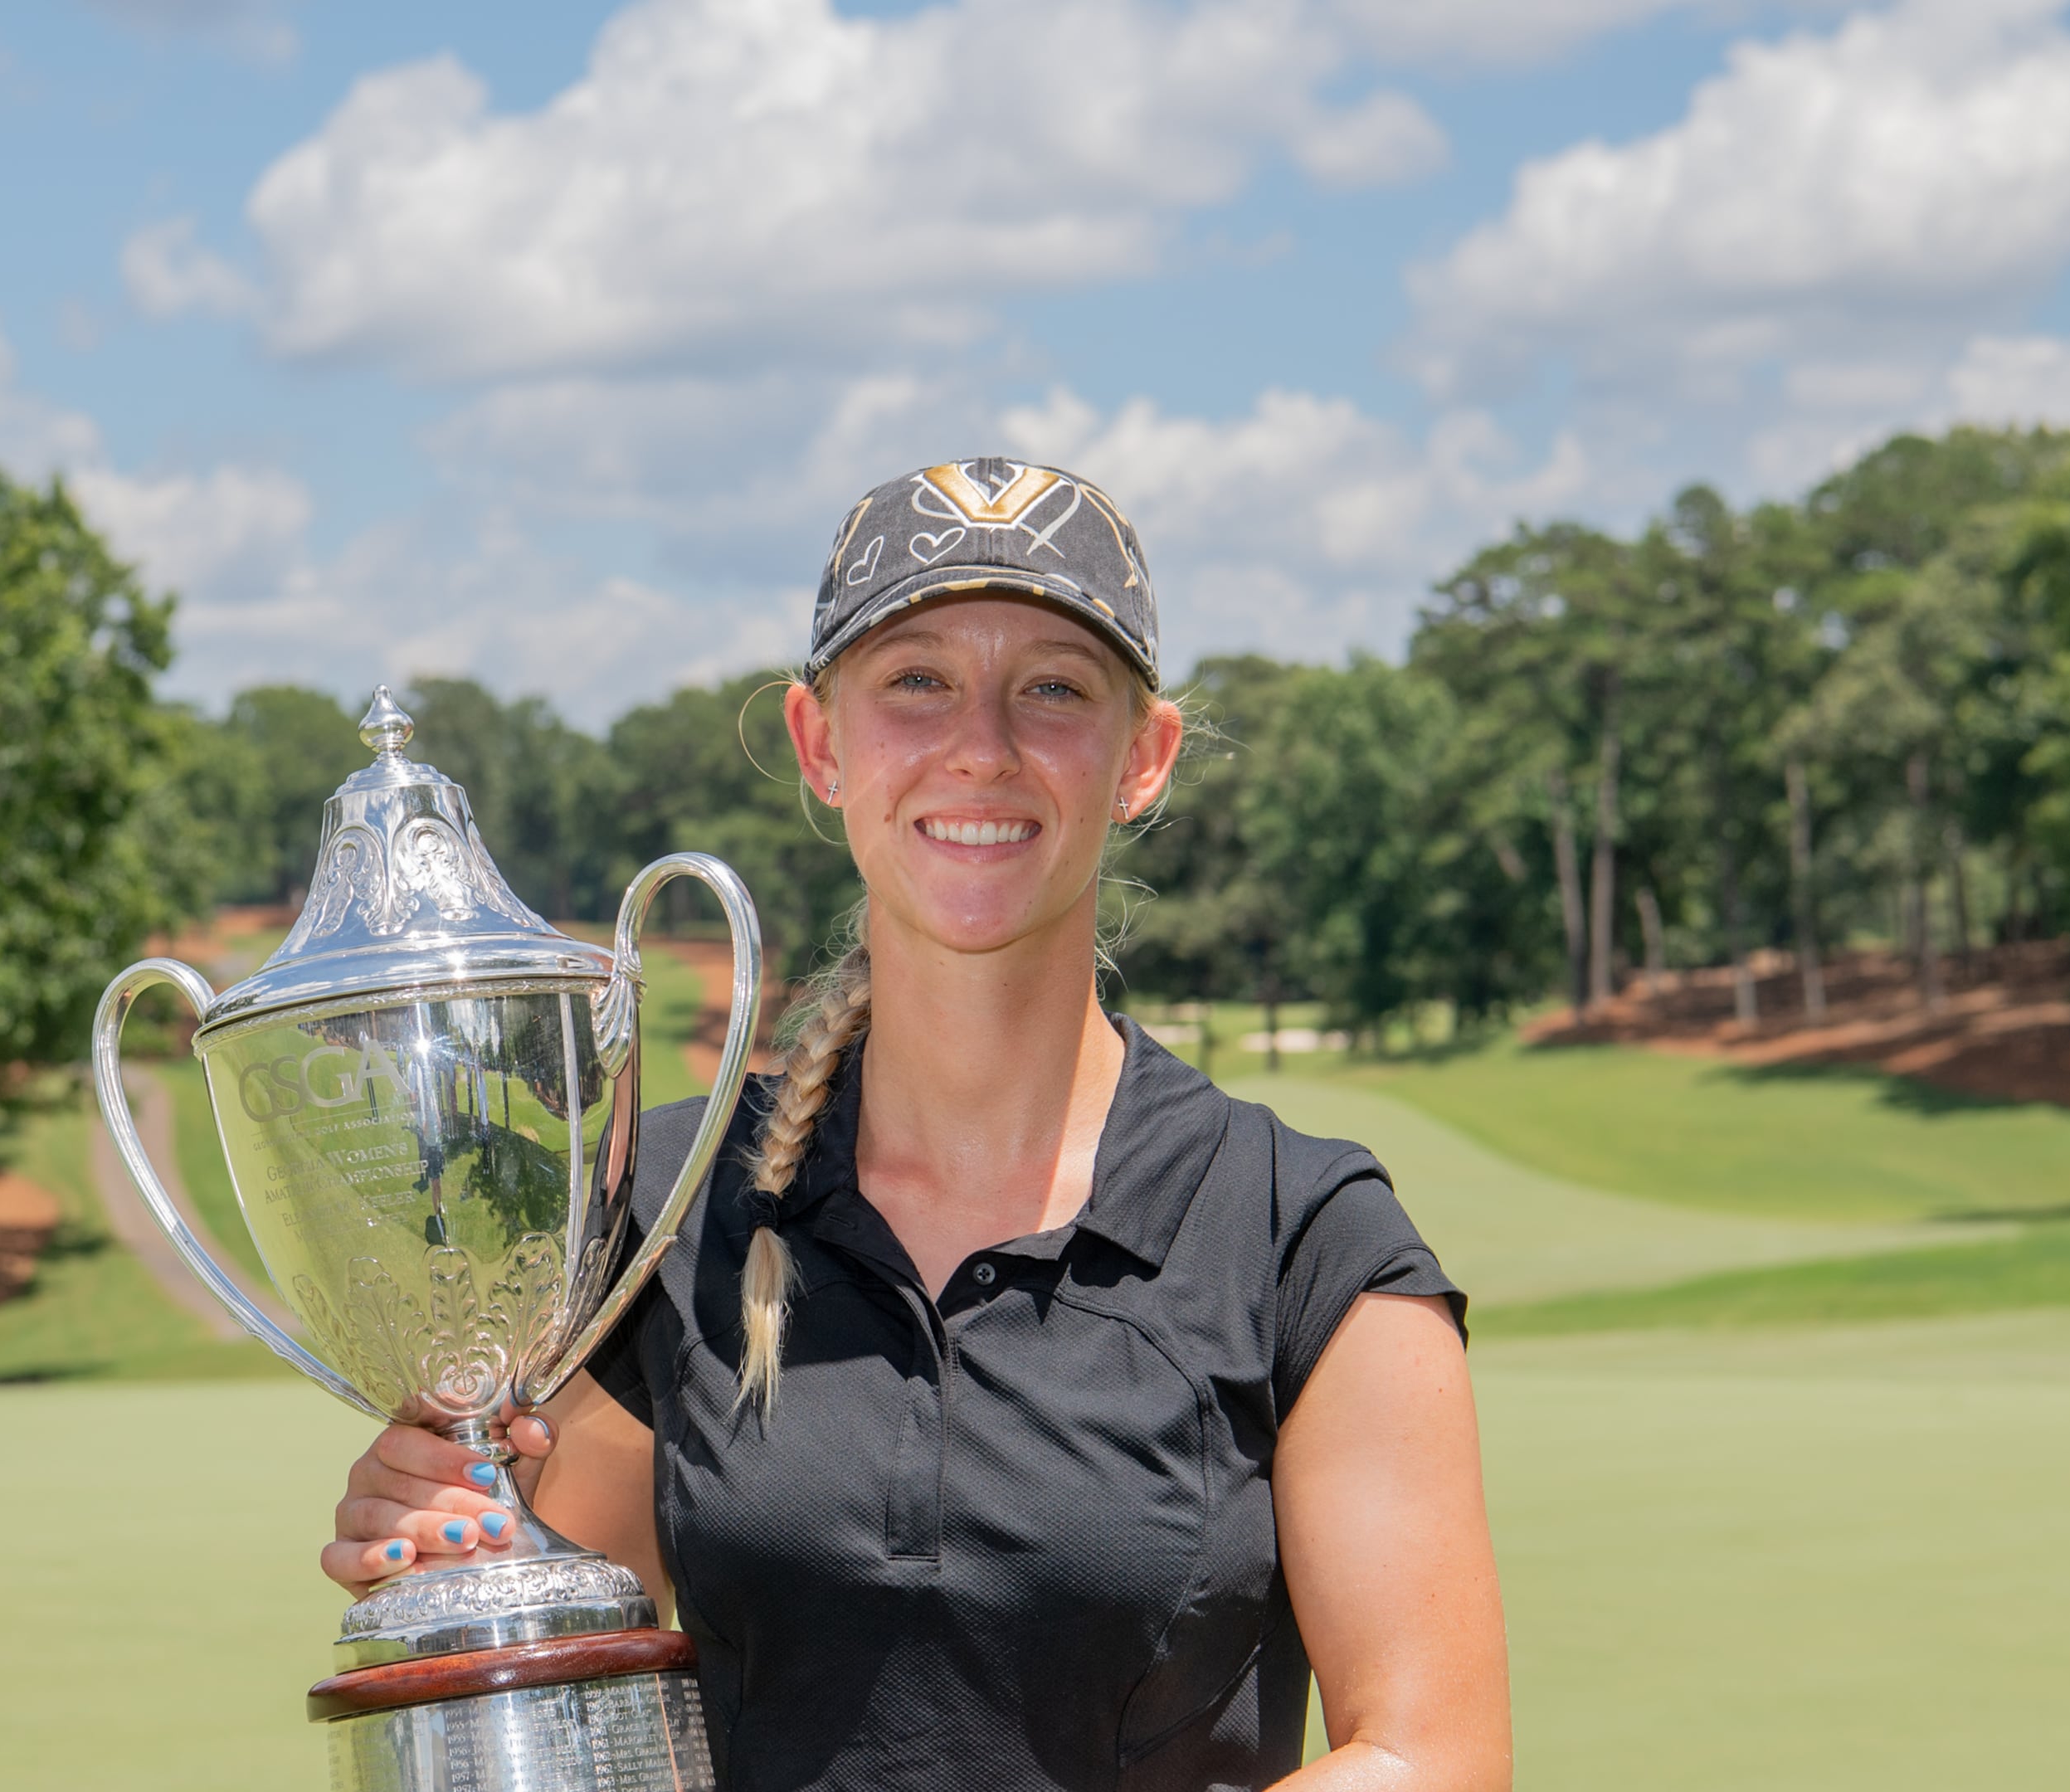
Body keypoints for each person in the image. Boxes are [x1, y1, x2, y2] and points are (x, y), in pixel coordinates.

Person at [324, 458, 1513, 1791]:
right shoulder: (666, 1205)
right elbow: (569, 1662)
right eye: (917, 681)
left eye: (1055, 688)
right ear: (821, 743)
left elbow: (1431, 1755)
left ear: (1144, 757)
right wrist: (455, 1535)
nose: (982, 747)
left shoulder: (1305, 1238)